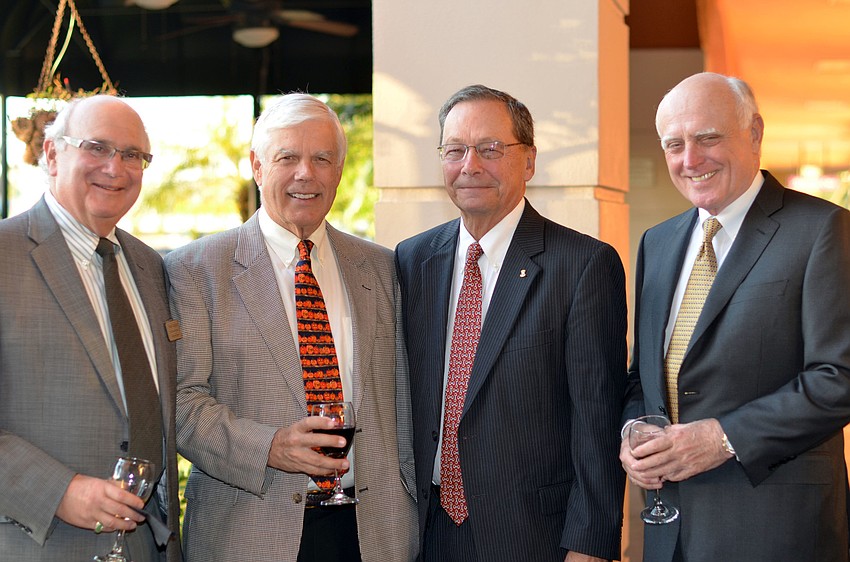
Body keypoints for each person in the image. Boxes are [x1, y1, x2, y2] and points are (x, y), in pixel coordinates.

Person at [165, 93, 417, 562]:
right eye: (288, 157)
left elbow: (405, 399)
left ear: (339, 172)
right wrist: (270, 447)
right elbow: (179, 402)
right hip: (247, 532)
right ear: (257, 166)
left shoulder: (383, 268)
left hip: (372, 534)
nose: (306, 173)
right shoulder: (196, 269)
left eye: (322, 158)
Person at [621, 72, 850, 562]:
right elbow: (644, 378)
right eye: (674, 144)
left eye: (707, 137)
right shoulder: (656, 244)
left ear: (754, 134)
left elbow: (839, 378)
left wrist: (723, 438)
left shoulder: (823, 229)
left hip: (776, 530)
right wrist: (632, 435)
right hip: (670, 533)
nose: (690, 159)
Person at [395, 84, 628, 562]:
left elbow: (597, 421)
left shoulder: (583, 265)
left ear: (529, 161)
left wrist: (589, 546)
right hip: (427, 532)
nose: (470, 165)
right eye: (455, 150)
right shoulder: (412, 260)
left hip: (533, 537)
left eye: (491, 149)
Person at [0, 95, 182, 561]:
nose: (115, 168)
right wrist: (59, 491)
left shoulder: (150, 267)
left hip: (145, 548)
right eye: (97, 147)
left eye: (133, 155)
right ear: (52, 153)